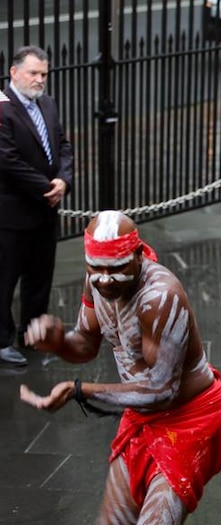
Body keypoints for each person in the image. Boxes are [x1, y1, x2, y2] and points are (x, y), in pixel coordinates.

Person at [19, 211, 221, 525]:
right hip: (141, 413)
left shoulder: (160, 297)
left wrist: (78, 390)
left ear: (137, 255)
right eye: (96, 268)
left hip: (190, 421)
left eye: (115, 268)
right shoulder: (96, 280)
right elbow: (85, 342)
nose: (104, 279)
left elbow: (162, 390)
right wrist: (57, 341)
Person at [0, 45, 73, 367]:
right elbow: (6, 160)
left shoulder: (48, 103)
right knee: (4, 280)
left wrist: (64, 180)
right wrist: (47, 187)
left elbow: (64, 145)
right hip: (12, 216)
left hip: (44, 213)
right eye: (33, 73)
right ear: (14, 73)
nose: (40, 79)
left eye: (43, 73)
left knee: (40, 278)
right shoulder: (2, 109)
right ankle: (1, 342)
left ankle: (32, 334)